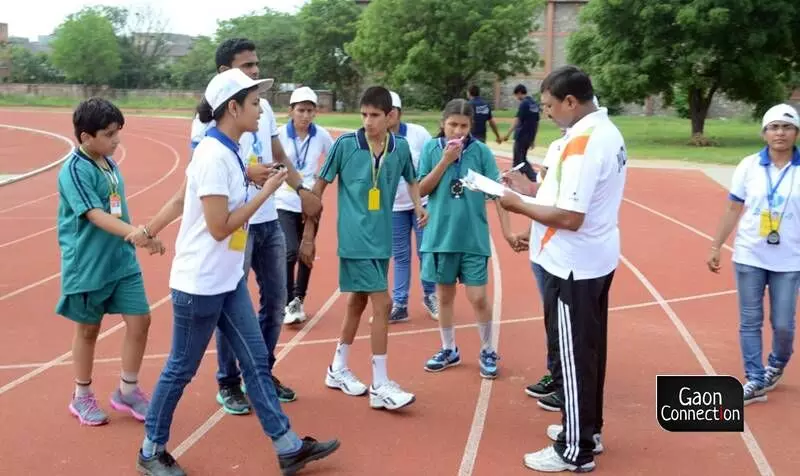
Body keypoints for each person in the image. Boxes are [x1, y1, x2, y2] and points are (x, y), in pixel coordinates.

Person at [136, 68, 339, 476]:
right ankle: (150, 450)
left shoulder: (227, 150)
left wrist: (147, 231)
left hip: (226, 282)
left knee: (255, 361)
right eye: (252, 103)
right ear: (232, 108)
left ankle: (288, 446)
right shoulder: (213, 156)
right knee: (181, 367)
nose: (260, 111)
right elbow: (219, 226)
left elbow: (180, 199)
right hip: (200, 285)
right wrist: (266, 192)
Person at [499, 65, 626, 472]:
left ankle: (575, 449)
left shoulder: (587, 142)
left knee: (574, 357)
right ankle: (587, 429)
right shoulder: (601, 133)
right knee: (588, 353)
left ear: (571, 101)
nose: (548, 113)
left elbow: (571, 217)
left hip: (574, 265)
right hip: (591, 259)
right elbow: (564, 197)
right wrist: (530, 193)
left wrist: (516, 205)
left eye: (551, 106)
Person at [299, 86, 427, 411]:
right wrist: (309, 234)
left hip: (381, 240)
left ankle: (337, 368)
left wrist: (418, 206)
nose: (368, 121)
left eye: (374, 115)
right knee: (382, 305)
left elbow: (412, 179)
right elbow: (319, 188)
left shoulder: (399, 148)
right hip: (355, 242)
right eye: (364, 114)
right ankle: (380, 384)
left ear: (390, 117)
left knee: (357, 303)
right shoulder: (345, 145)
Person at [55, 97, 163, 427]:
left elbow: (115, 209)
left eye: (118, 132)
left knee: (140, 320)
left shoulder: (108, 162)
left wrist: (135, 237)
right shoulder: (74, 170)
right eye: (109, 134)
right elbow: (95, 214)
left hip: (121, 261)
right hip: (88, 264)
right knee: (88, 329)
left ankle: (127, 391)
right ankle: (82, 395)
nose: (116, 140)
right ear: (86, 137)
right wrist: (137, 233)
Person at [707, 103, 800, 406]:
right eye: (773, 127)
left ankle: (777, 362)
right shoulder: (749, 165)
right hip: (750, 255)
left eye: (786, 127)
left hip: (790, 259)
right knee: (750, 320)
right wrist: (716, 244)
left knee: (784, 324)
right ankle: (755, 379)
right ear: (764, 133)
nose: (780, 133)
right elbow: (733, 207)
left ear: (796, 132)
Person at [417, 98, 515, 379]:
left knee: (479, 298)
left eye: (463, 125)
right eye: (452, 125)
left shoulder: (481, 152)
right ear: (442, 124)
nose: (458, 131)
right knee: (444, 297)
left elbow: (496, 193)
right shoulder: (430, 149)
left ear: (472, 125)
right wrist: (445, 162)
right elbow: (422, 188)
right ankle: (449, 349)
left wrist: (507, 231)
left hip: (473, 238)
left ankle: (487, 349)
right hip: (440, 237)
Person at [276, 87, 334, 325]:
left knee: (306, 252)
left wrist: (319, 184)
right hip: (284, 200)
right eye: (301, 110)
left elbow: (333, 160)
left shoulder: (321, 135)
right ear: (291, 111)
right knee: (289, 250)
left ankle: (299, 299)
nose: (305, 115)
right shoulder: (279, 135)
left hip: (311, 203)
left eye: (310, 110)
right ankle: (288, 300)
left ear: (316, 112)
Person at [387, 90, 439, 323]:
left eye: (392, 112)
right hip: (394, 208)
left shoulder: (418, 134)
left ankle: (430, 295)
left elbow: (432, 163)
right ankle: (400, 303)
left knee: (425, 251)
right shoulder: (376, 138)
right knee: (400, 256)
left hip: (422, 204)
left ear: (399, 113)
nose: (388, 116)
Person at [503, 84, 540, 182]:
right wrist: (533, 139)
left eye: (516, 95)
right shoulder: (534, 104)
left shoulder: (524, 103)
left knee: (519, 160)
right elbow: (537, 123)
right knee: (521, 159)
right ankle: (518, 179)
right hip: (529, 135)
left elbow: (517, 120)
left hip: (521, 135)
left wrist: (507, 134)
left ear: (519, 93)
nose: (516, 98)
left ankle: (533, 177)